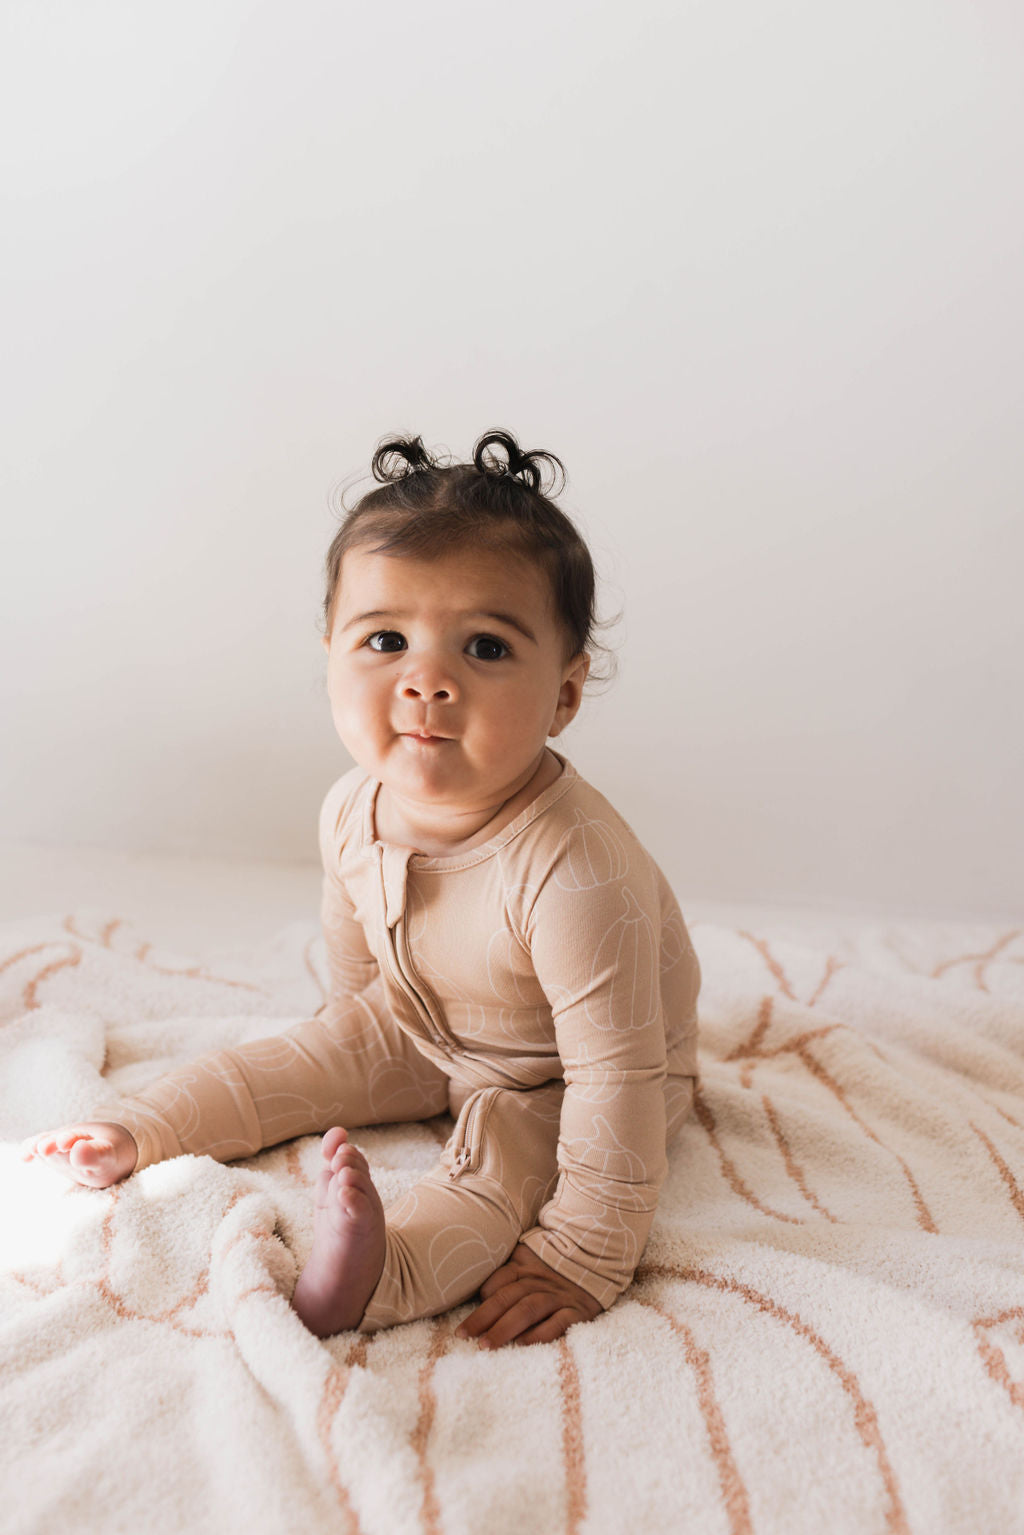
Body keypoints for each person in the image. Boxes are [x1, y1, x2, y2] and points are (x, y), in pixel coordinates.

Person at [21, 429, 701, 1349]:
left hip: (552, 1076)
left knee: (497, 1173)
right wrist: (345, 1048)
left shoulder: (578, 871)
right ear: (332, 652)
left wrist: (584, 1252)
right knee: (286, 1060)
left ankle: (379, 1270)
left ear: (566, 694)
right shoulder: (352, 806)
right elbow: (357, 958)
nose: (428, 682)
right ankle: (143, 1128)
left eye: (486, 648)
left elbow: (616, 1079)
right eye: (387, 640)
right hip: (421, 1020)